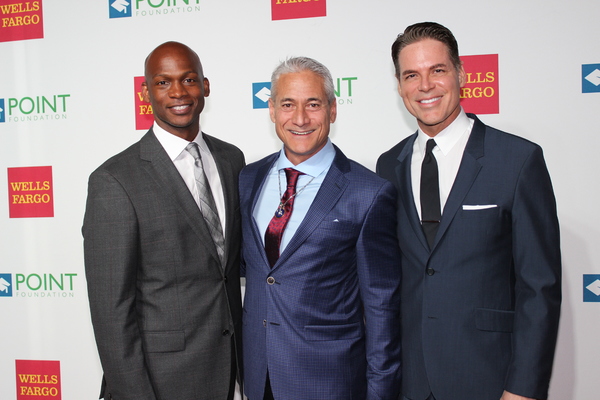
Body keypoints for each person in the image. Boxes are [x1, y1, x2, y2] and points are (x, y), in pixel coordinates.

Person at [377, 22, 561, 400]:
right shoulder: (387, 166)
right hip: (408, 381)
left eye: (437, 70)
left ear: (461, 74)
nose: (425, 86)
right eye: (411, 75)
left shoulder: (517, 160)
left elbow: (539, 288)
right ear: (399, 86)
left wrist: (523, 389)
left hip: (488, 379)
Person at [83, 41, 245, 400]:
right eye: (162, 82)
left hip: (233, 372)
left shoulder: (232, 159)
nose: (178, 92)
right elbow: (111, 313)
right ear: (145, 92)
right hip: (162, 381)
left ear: (205, 86)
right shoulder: (114, 180)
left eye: (188, 80)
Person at [240, 57, 402, 400]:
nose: (300, 119)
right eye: (288, 104)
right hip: (259, 377)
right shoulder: (247, 179)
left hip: (330, 382)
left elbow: (381, 308)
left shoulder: (368, 193)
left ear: (332, 109)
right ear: (271, 110)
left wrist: (380, 393)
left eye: (313, 104)